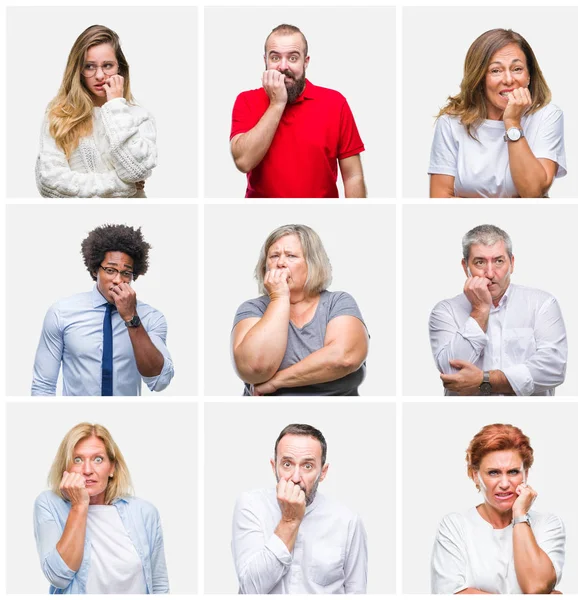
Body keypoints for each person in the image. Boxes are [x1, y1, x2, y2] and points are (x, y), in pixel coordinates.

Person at [32, 224, 174, 396]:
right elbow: (43, 386)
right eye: (110, 270)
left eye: (126, 273)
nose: (117, 279)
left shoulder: (151, 318)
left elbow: (159, 381)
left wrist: (131, 317)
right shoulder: (61, 312)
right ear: (94, 270)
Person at [230, 24, 366, 198]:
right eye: (275, 58)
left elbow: (353, 176)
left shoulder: (335, 102)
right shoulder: (246, 101)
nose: (283, 66)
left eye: (293, 58)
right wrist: (277, 103)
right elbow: (243, 162)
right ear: (265, 61)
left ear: (306, 62)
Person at [429, 224, 567, 396]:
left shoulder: (542, 304)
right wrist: (480, 310)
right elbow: (452, 376)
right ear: (466, 267)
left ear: (512, 264)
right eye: (480, 262)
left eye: (498, 261)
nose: (490, 273)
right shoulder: (445, 311)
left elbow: (554, 369)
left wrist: (485, 381)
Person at [232, 224, 368, 395]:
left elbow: (344, 358)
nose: (280, 263)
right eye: (274, 256)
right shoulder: (253, 309)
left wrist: (277, 382)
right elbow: (255, 368)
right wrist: (280, 298)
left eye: (291, 256)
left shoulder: (338, 302)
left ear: (313, 264)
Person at [429, 29, 566, 198]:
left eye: (517, 69)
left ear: (529, 75)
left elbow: (532, 193)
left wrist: (513, 123)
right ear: (479, 78)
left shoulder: (547, 116)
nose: (508, 80)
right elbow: (440, 199)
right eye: (496, 71)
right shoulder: (450, 123)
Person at [33, 423, 169, 594]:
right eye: (77, 460)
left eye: (98, 459)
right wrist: (79, 505)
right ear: (65, 467)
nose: (87, 470)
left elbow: (159, 585)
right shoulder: (49, 504)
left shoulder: (145, 512)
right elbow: (58, 577)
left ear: (112, 467)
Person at [231, 423, 367, 593]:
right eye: (287, 464)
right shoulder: (251, 506)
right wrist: (289, 520)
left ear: (323, 472)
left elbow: (357, 592)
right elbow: (250, 589)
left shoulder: (347, 521)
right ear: (275, 467)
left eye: (307, 466)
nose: (295, 478)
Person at [431, 424, 565, 594]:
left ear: (526, 474)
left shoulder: (547, 525)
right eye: (493, 472)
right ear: (475, 475)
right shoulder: (455, 526)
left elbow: (536, 587)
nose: (504, 484)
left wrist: (520, 515)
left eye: (513, 472)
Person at [35, 25, 157, 198]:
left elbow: (136, 171)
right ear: (78, 70)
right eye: (90, 66)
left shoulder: (139, 117)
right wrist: (123, 185)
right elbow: (50, 184)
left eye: (107, 65)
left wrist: (115, 105)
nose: (100, 75)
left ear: (119, 68)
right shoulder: (58, 117)